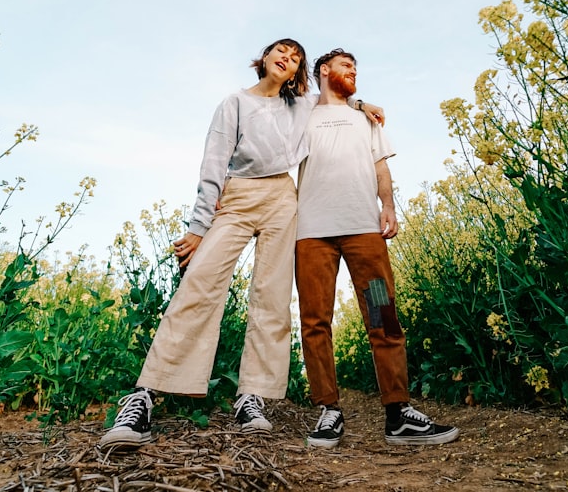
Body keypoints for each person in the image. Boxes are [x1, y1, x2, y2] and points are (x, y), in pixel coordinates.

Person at [100, 39, 383, 449]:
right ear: (265, 58)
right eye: (282, 52)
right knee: (198, 285)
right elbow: (213, 164)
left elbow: (334, 99)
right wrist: (199, 228)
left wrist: (363, 106)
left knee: (271, 297)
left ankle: (252, 398)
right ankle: (145, 397)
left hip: (283, 198)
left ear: (297, 72)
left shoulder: (300, 105)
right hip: (237, 195)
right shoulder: (233, 103)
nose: (288, 60)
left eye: (296, 59)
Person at [295, 48, 459, 448]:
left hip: (364, 232)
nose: (354, 70)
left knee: (383, 315)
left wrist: (388, 206)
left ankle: (398, 413)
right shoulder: (301, 113)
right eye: (346, 65)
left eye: (355, 67)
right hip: (311, 233)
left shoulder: (365, 119)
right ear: (323, 70)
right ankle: (329, 409)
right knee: (315, 322)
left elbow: (381, 167)